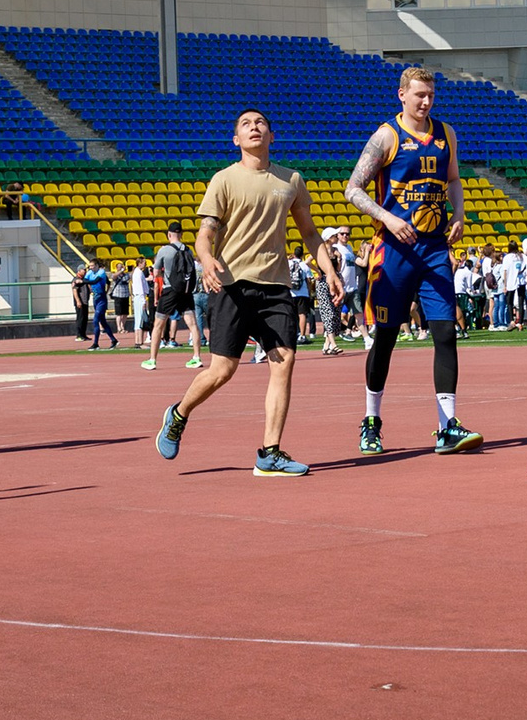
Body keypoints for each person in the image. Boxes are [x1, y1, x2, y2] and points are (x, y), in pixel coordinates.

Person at [154, 107, 340, 477]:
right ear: (236, 139)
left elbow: (309, 232)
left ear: (272, 136)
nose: (254, 127)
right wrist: (206, 261)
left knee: (284, 360)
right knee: (223, 369)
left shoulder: (291, 180)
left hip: (275, 286)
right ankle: (178, 414)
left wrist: (329, 269)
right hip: (232, 284)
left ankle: (269, 453)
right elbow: (205, 233)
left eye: (261, 124)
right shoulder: (224, 180)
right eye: (245, 124)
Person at [343, 67, 482, 455]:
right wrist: (387, 217)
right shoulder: (386, 136)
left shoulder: (446, 134)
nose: (425, 102)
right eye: (419, 94)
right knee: (386, 339)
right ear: (401, 95)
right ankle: (371, 421)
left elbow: (453, 180)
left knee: (445, 334)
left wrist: (459, 213)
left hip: (435, 250)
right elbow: (353, 189)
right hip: (394, 251)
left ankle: (447, 426)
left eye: (431, 95)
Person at [147, 222, 204, 372]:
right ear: (181, 234)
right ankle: (197, 357)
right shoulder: (188, 250)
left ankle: (152, 359)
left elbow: (156, 273)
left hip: (169, 290)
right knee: (193, 324)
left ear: (168, 234)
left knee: (159, 324)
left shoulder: (164, 250)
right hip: (185, 291)